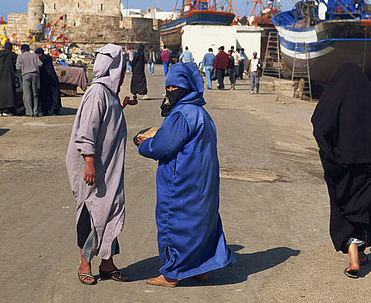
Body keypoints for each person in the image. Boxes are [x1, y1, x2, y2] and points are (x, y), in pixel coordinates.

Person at [136, 63, 235, 287]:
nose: (170, 91)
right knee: (201, 223)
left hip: (181, 182)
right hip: (203, 181)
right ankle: (200, 269)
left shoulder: (182, 114)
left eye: (175, 87)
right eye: (168, 87)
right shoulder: (202, 113)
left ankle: (171, 273)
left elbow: (163, 146)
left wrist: (145, 144)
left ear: (187, 87)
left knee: (176, 224)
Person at [311, 62, 371, 279]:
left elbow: (320, 125)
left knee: (344, 206)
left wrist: (331, 153)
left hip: (342, 168)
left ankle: (354, 255)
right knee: (368, 208)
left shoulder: (333, 101)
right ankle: (360, 251)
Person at [66, 43, 137, 286]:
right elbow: (87, 131)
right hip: (94, 167)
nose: (124, 74)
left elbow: (107, 121)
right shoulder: (97, 93)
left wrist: (123, 104)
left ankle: (107, 262)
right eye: (122, 68)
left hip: (109, 167)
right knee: (91, 211)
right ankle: (84, 263)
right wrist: (89, 162)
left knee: (111, 210)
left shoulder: (108, 94)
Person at [16, 44, 42, 117]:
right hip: (35, 75)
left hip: (26, 75)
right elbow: (40, 64)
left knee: (27, 94)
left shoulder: (20, 57)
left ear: (22, 50)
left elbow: (18, 67)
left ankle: (29, 112)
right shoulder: (34, 55)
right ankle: (35, 111)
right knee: (35, 93)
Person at [35, 47, 61, 115]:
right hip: (51, 78)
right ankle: (54, 109)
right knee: (53, 95)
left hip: (47, 79)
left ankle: (49, 110)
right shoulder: (48, 57)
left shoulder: (42, 58)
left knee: (47, 95)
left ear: (40, 54)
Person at [0, 41, 18, 116]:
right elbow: (16, 66)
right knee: (9, 94)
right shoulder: (13, 55)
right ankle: (6, 111)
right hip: (8, 77)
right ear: (11, 48)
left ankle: (0, 111)